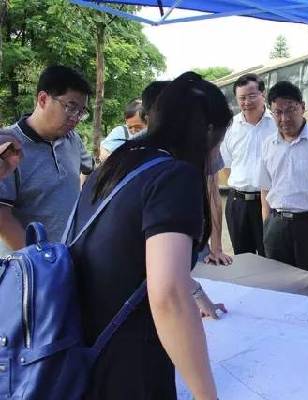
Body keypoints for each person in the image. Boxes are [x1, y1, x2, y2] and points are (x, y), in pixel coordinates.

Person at [69, 72, 229, 399]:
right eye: (219, 140)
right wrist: (206, 395)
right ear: (207, 131)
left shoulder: (118, 164)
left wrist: (197, 294)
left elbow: (130, 256)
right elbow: (168, 294)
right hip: (128, 360)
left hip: (82, 344)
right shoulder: (175, 175)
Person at [0, 65, 93, 254]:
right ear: (43, 99)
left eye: (81, 111)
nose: (76, 118)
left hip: (66, 256)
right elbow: (2, 217)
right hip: (27, 265)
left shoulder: (73, 140)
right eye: (71, 107)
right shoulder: (9, 146)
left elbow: (90, 170)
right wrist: (41, 259)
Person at [142, 80, 232, 266]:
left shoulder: (127, 155)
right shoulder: (172, 171)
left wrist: (216, 247)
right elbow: (169, 279)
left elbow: (212, 193)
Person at [259, 81, 308, 276]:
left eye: (290, 110)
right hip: (277, 226)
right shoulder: (268, 145)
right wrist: (267, 226)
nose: (285, 118)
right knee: (280, 282)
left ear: (302, 107)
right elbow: (265, 190)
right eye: (278, 112)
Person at [220, 73, 276, 256]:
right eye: (242, 98)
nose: (247, 102)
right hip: (238, 204)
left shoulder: (276, 123)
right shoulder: (230, 127)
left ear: (263, 94)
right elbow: (227, 166)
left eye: (252, 96)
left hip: (270, 203)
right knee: (243, 258)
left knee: (270, 257)